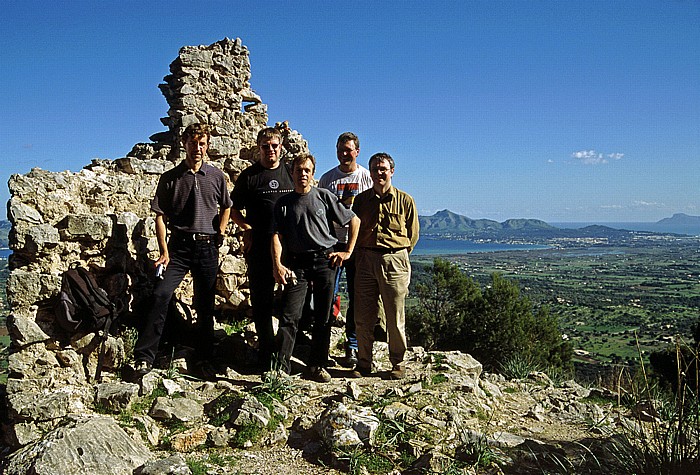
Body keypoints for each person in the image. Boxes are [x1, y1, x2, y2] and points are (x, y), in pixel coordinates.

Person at [133, 123, 232, 378]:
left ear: (207, 145)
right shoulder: (170, 178)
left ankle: (204, 359)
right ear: (184, 144)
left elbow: (227, 206)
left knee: (205, 304)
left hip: (207, 246)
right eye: (192, 143)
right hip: (179, 248)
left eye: (202, 143)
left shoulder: (216, 176)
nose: (197, 148)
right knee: (161, 294)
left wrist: (221, 229)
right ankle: (145, 357)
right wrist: (164, 251)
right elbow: (159, 217)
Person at [272, 154, 359, 382]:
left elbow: (354, 220)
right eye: (299, 170)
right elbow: (276, 236)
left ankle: (317, 365)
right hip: (296, 264)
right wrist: (278, 264)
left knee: (323, 316)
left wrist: (347, 251)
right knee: (290, 314)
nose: (303, 174)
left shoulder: (324, 196)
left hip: (324, 261)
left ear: (313, 173)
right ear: (292, 173)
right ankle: (280, 368)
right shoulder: (283, 203)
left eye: (307, 170)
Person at [230, 127, 294, 370]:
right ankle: (266, 354)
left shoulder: (290, 172)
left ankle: (287, 352)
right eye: (265, 146)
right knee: (262, 302)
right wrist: (247, 228)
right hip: (259, 248)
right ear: (259, 148)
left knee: (291, 302)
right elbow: (233, 210)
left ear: (281, 147)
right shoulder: (249, 177)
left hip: (290, 247)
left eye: (275, 146)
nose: (270, 150)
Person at [351, 152, 419, 380]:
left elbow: (413, 235)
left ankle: (398, 363)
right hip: (365, 260)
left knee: (395, 316)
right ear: (369, 173)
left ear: (392, 171)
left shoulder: (405, 201)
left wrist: (396, 255)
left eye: (383, 169)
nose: (379, 173)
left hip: (394, 261)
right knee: (363, 316)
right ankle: (363, 363)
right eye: (375, 169)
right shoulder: (360, 201)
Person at [318, 132, 372, 367]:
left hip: (358, 246)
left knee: (357, 298)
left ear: (357, 151)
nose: (344, 153)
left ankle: (352, 345)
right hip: (332, 244)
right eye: (340, 149)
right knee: (327, 296)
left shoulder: (366, 178)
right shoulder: (327, 179)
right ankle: (321, 344)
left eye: (348, 149)